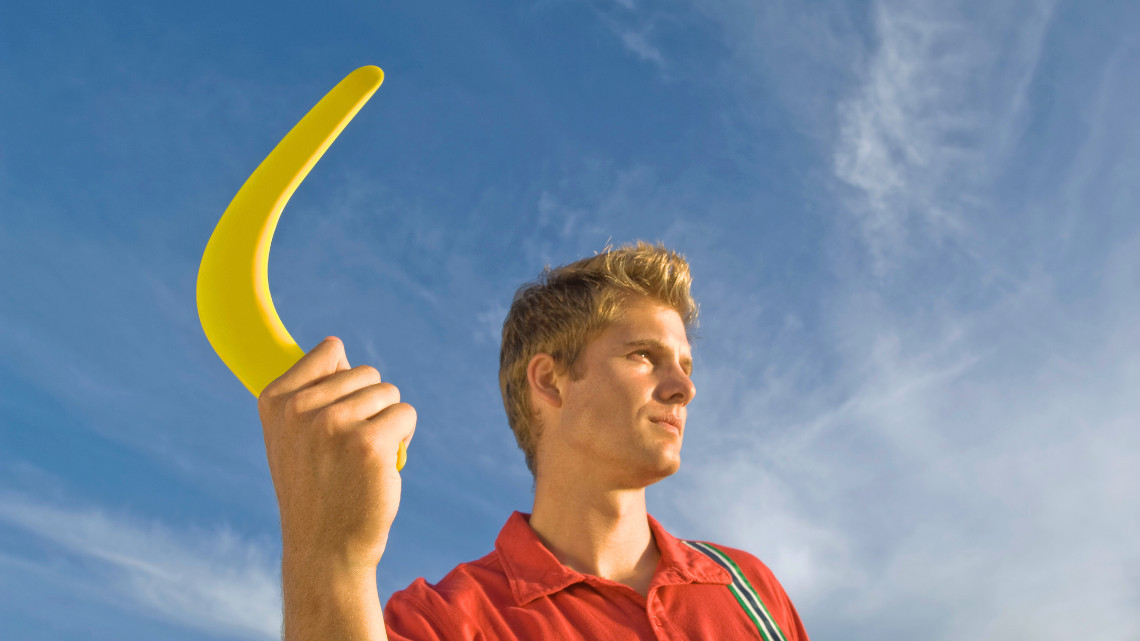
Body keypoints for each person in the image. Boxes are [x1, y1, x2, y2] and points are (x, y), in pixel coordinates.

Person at [257, 242, 810, 640]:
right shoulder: (444, 623)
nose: (684, 388)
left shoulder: (749, 586)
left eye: (686, 364)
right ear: (550, 380)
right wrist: (330, 559)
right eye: (644, 355)